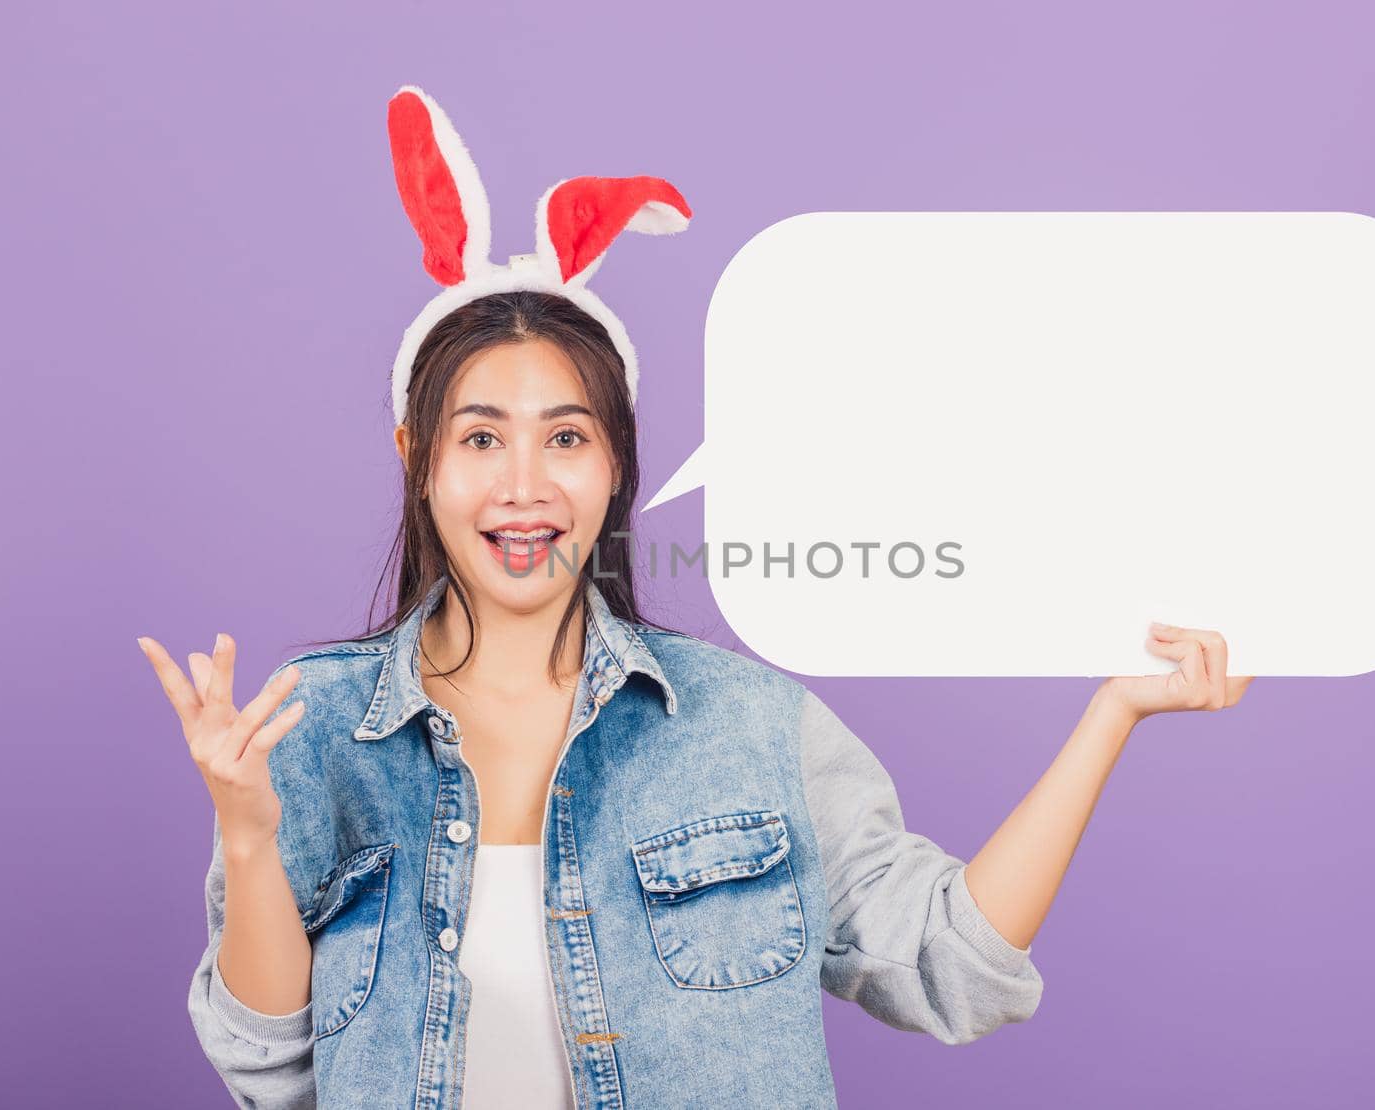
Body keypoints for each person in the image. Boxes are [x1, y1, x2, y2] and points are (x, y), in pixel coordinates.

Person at [136, 86, 1252, 1110]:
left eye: (565, 438)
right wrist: (245, 830)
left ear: (617, 463)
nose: (523, 486)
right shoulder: (311, 726)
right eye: (481, 438)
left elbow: (950, 965)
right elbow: (266, 1063)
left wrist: (1113, 710)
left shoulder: (752, 727)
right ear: (416, 456)